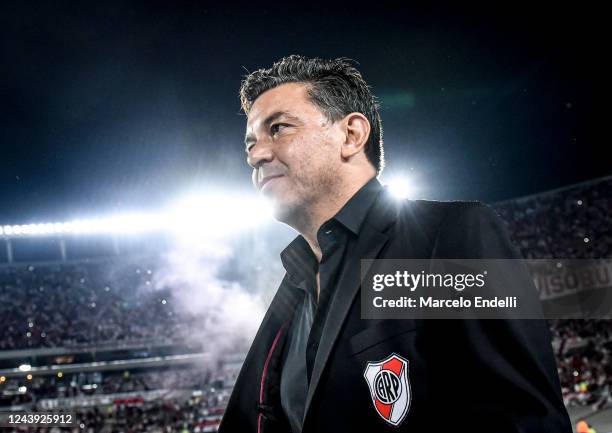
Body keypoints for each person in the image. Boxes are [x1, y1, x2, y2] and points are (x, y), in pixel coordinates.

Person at [218, 55, 572, 433]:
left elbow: (527, 421)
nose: (256, 155)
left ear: (351, 135)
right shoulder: (294, 288)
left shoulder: (446, 236)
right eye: (251, 143)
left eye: (280, 128)